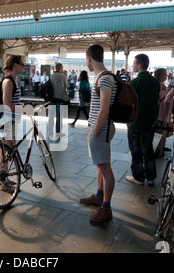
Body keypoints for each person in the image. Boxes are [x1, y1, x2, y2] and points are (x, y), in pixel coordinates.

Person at [79, 44, 117, 223]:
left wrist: (94, 132)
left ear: (89, 59)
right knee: (100, 166)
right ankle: (99, 195)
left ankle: (106, 208)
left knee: (105, 168)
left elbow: (104, 110)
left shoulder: (104, 79)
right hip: (98, 128)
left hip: (100, 130)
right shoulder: (102, 78)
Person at [126, 54, 160, 185]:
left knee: (136, 150)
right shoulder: (155, 82)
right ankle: (151, 177)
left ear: (139, 66)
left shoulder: (135, 82)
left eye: (134, 64)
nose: (133, 66)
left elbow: (130, 104)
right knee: (148, 148)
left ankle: (138, 177)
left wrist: (128, 120)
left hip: (137, 121)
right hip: (151, 121)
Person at [0, 55, 24, 193]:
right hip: (9, 121)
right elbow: (7, 104)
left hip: (11, 120)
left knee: (5, 150)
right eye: (21, 63)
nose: (23, 66)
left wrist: (20, 104)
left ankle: (2, 178)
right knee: (6, 151)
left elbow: (12, 100)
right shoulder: (8, 81)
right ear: (14, 65)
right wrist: (23, 109)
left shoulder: (12, 80)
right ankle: (4, 183)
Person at [48, 63, 68, 138]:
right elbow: (66, 86)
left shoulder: (51, 76)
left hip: (52, 99)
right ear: (61, 68)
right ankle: (58, 132)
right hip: (60, 99)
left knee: (51, 116)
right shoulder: (63, 76)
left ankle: (50, 131)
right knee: (59, 116)